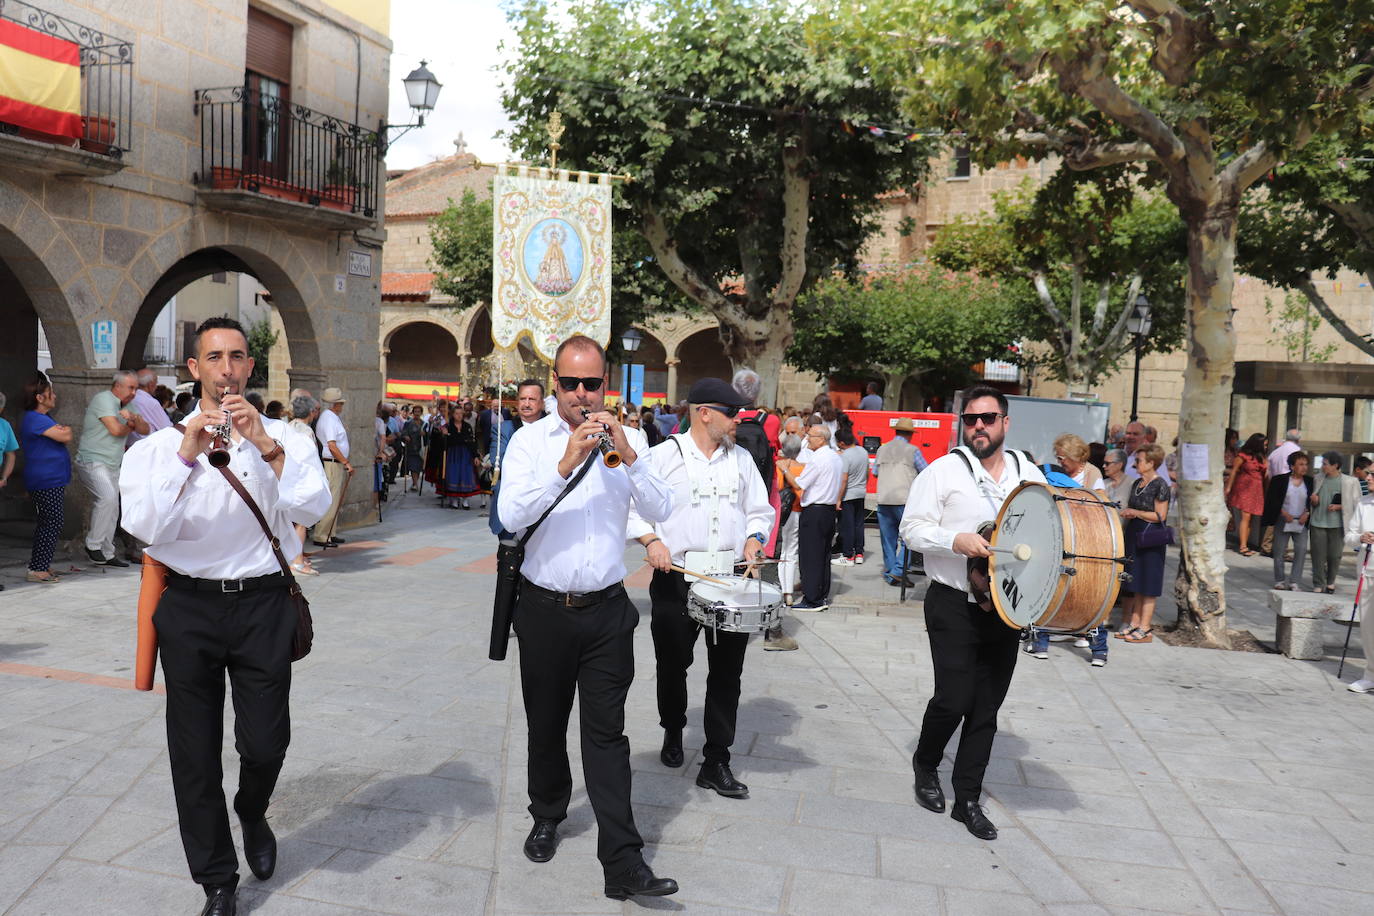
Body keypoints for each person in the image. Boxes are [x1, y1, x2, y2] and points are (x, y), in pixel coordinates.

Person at [119, 316, 331, 916]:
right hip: (189, 605)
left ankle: (254, 810)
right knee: (194, 751)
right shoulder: (158, 448)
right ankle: (216, 878)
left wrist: (265, 444)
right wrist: (188, 451)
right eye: (214, 357)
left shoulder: (285, 436)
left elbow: (312, 505)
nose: (227, 368)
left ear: (249, 366)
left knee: (265, 743)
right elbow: (144, 529)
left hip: (264, 603)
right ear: (194, 369)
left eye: (237, 357)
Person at [497, 335, 679, 900]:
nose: (581, 394)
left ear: (607, 385)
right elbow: (510, 516)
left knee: (607, 736)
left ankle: (623, 861)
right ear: (554, 384)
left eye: (591, 383)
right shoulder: (529, 442)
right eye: (570, 383)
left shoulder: (630, 444)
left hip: (606, 612)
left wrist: (628, 453)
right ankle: (548, 811)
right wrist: (565, 462)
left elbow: (664, 508)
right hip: (545, 610)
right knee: (546, 724)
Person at [899, 386, 1048, 841]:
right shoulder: (943, 472)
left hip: (1006, 607)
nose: (978, 426)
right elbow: (910, 529)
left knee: (986, 708)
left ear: (1005, 422)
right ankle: (926, 763)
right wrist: (954, 540)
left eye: (987, 418)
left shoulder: (1029, 473)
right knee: (954, 698)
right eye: (970, 419)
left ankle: (967, 799)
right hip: (951, 601)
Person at [627, 378, 773, 800]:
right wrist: (651, 541)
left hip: (730, 577)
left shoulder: (742, 459)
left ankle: (716, 759)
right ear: (703, 412)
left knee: (728, 672)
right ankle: (673, 727)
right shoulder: (662, 456)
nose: (738, 422)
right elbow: (632, 507)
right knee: (673, 663)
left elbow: (759, 510)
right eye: (731, 414)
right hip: (677, 576)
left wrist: (754, 538)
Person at [75, 370, 150, 567]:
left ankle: (108, 553)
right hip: (92, 460)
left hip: (113, 463)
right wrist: (131, 425)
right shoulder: (104, 399)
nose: (134, 392)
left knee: (114, 507)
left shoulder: (129, 406)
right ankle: (93, 545)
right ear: (117, 386)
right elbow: (116, 430)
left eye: (136, 388)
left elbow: (145, 429)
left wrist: (133, 418)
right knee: (107, 498)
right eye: (131, 387)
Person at [780, 424, 843, 612]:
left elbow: (799, 484)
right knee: (823, 555)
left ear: (821, 439)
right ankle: (821, 594)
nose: (807, 439)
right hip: (829, 510)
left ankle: (812, 598)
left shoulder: (819, 459)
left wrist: (784, 469)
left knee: (811, 556)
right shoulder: (835, 457)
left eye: (811, 436)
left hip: (815, 510)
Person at [19, 374, 73, 584]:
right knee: (51, 521)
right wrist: (63, 430)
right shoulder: (35, 418)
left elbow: (64, 433)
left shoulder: (44, 419)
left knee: (51, 521)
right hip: (45, 479)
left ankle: (42, 564)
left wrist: (62, 430)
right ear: (40, 398)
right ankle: (37, 568)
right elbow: (65, 435)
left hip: (53, 478)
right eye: (51, 394)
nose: (55, 397)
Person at [1116, 444, 1171, 643]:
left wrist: (1136, 513)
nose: (1135, 463)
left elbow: (1161, 515)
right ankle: (1134, 622)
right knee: (1136, 581)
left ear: (1151, 463)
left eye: (1139, 460)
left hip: (1151, 538)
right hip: (1134, 534)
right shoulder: (1137, 483)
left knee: (1148, 583)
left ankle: (1145, 627)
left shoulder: (1160, 485)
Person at [874, 417, 924, 587]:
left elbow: (875, 472)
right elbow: (925, 472)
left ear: (896, 431)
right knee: (908, 538)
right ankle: (898, 570)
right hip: (904, 500)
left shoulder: (882, 449)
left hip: (884, 499)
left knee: (888, 540)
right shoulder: (913, 450)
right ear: (910, 434)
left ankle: (890, 573)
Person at [1309, 451, 1360, 594]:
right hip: (1317, 522)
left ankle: (1330, 582)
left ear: (1335, 465)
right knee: (1317, 556)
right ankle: (1318, 583)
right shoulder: (1318, 478)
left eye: (1325, 464)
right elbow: (1314, 500)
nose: (1322, 467)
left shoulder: (1350, 482)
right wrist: (1314, 501)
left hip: (1338, 524)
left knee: (1334, 555)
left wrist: (1339, 506)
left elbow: (1357, 504)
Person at [1262, 450, 1312, 591]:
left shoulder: (1309, 481)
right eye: (1300, 464)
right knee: (1278, 551)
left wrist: (1306, 513)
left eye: (1306, 464)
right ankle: (1279, 580)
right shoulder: (1279, 480)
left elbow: (1311, 501)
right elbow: (1272, 500)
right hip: (1283, 519)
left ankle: (1294, 581)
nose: (1304, 467)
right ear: (1292, 466)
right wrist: (1283, 513)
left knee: (1301, 550)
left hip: (1301, 521)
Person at [1342, 485, 1374, 692]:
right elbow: (1349, 536)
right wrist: (1361, 538)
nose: (1369, 478)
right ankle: (1370, 674)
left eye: (1373, 475)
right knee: (1368, 627)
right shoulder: (1363, 503)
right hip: (1368, 572)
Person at [286, 395, 321, 577]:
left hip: (285, 478)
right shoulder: (306, 432)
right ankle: (297, 561)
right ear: (310, 412)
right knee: (301, 522)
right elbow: (310, 460)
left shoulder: (287, 427)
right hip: (301, 479)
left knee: (289, 521)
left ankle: (292, 556)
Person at [312, 387, 352, 547]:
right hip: (332, 463)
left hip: (334, 463)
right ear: (336, 404)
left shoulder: (332, 418)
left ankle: (330, 532)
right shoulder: (328, 418)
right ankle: (322, 535)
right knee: (330, 500)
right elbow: (332, 445)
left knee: (334, 500)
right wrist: (346, 462)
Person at [775, 433, 805, 604]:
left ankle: (786, 590)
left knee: (785, 551)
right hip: (801, 510)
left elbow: (778, 488)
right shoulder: (804, 467)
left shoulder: (780, 467)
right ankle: (791, 589)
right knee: (795, 550)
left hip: (785, 513)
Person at [1226, 433, 1267, 556]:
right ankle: (1243, 546)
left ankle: (1245, 543)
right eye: (1264, 444)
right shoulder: (1242, 456)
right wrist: (1228, 488)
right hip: (1244, 488)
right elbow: (1234, 472)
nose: (1266, 447)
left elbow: (1266, 476)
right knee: (1246, 517)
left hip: (1257, 489)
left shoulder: (1262, 458)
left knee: (1251, 518)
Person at [1262, 429, 1303, 555]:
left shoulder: (1275, 451)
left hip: (1275, 485)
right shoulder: (1296, 451)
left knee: (1275, 516)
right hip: (1288, 487)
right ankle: (1281, 550)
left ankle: (1267, 546)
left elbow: (1267, 472)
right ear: (1298, 439)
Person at [833, 429, 869, 566]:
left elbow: (844, 479)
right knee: (859, 524)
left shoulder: (845, 456)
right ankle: (859, 553)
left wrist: (838, 499)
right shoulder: (863, 451)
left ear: (841, 443)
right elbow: (867, 473)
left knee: (847, 526)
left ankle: (848, 556)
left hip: (848, 494)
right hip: (861, 492)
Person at [126, 367, 173, 446]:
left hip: (131, 446)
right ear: (150, 384)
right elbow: (167, 427)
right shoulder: (151, 402)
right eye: (156, 383)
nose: (156, 386)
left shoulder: (128, 399)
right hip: (148, 446)